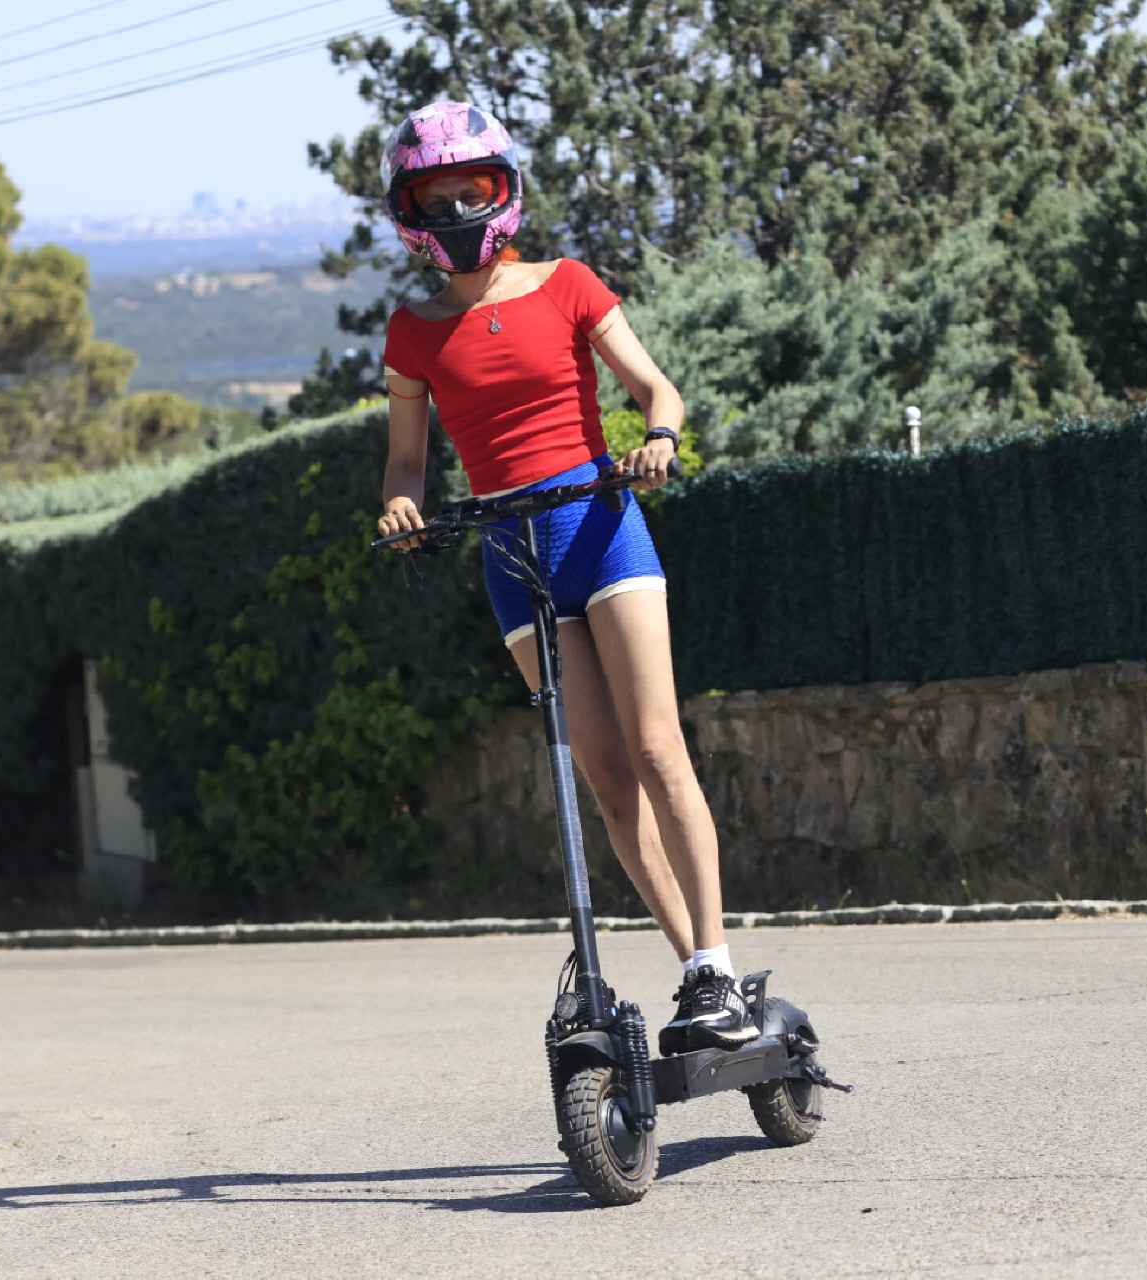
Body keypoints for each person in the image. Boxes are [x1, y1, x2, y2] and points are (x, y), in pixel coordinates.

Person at [373, 100, 753, 1053]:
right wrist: (400, 508)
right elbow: (407, 464)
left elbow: (654, 388)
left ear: (504, 190)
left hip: (602, 526)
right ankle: (688, 972)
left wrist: (658, 437)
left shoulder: (569, 285)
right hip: (512, 550)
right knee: (608, 781)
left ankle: (721, 973)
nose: (458, 207)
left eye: (474, 188)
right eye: (436, 194)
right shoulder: (413, 335)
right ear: (409, 212)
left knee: (660, 749)